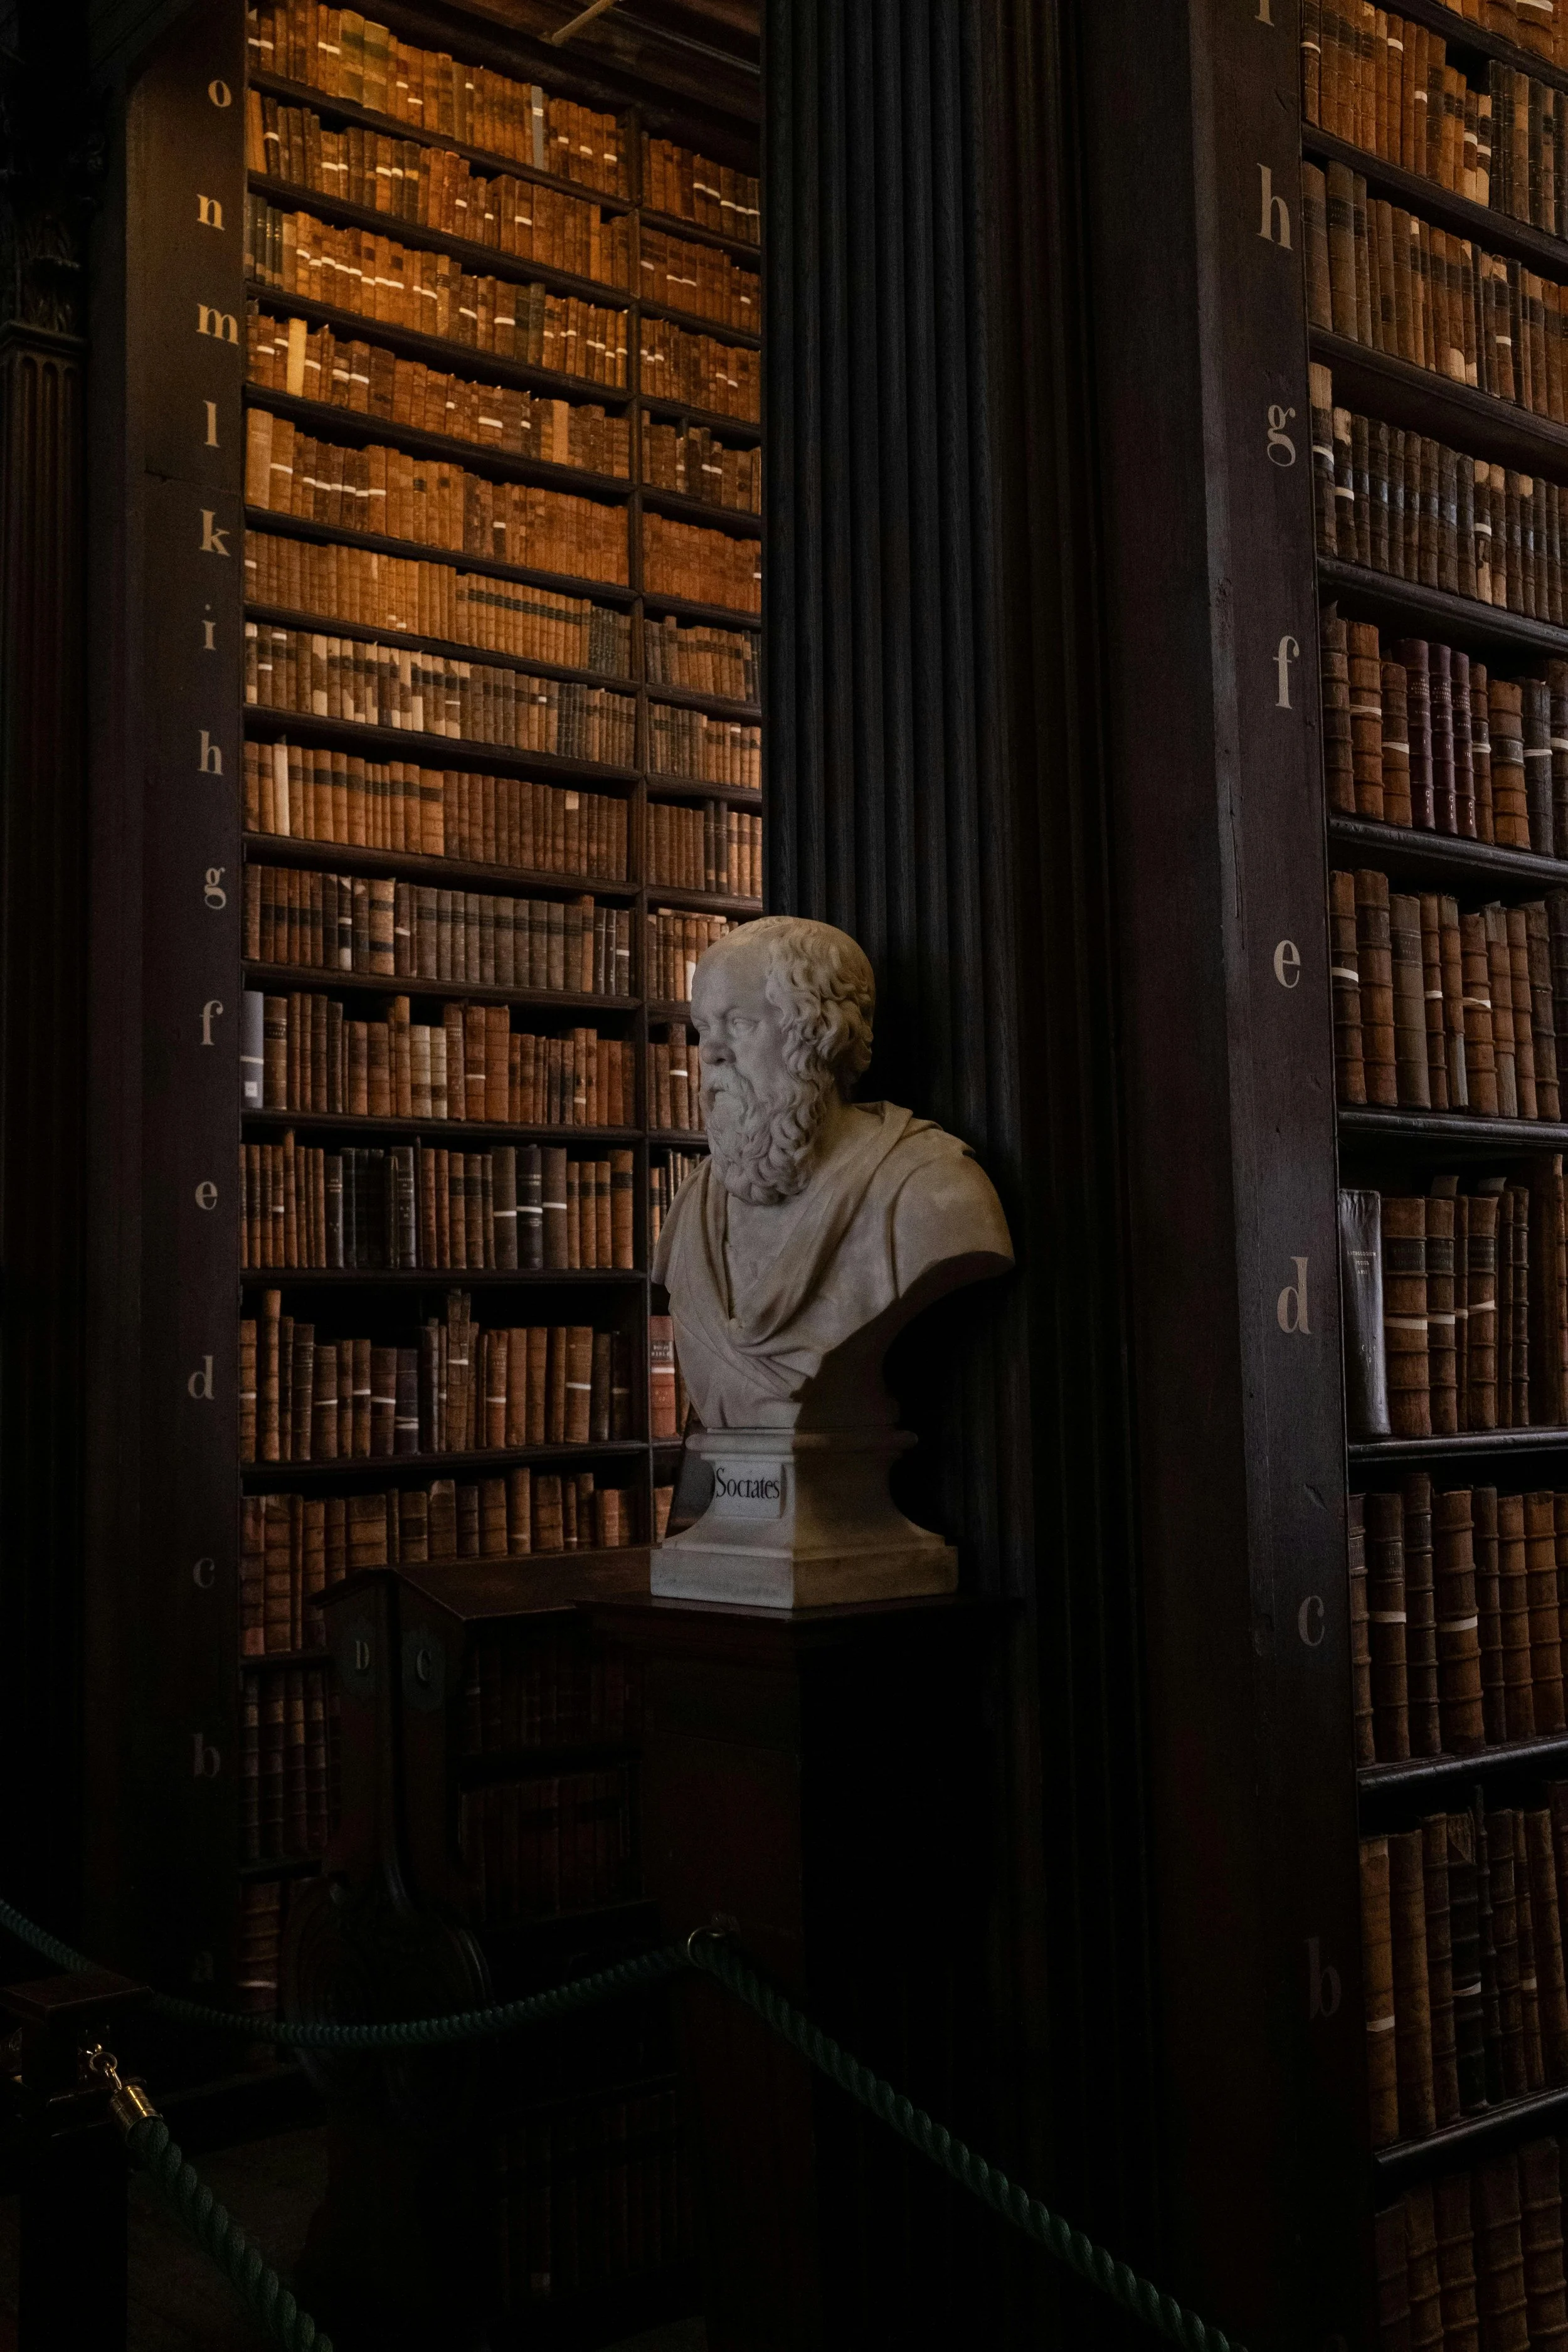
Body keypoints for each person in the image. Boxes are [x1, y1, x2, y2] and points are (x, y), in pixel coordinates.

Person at [652, 915, 1014, 1433]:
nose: (711, 1052)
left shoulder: (931, 1192)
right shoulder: (693, 1206)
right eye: (704, 1029)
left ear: (818, 1035)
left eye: (740, 1023)